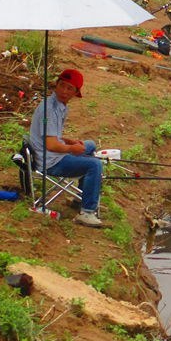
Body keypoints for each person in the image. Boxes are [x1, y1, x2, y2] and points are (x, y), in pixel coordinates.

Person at [29, 68, 104, 227]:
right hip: (49, 162)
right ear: (56, 85)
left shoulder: (60, 105)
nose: (64, 91)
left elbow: (52, 136)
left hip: (52, 153)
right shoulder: (49, 109)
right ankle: (87, 212)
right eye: (62, 85)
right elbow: (51, 145)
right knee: (95, 165)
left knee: (89, 145)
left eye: (70, 88)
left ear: (76, 92)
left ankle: (79, 199)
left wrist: (69, 141)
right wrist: (71, 149)